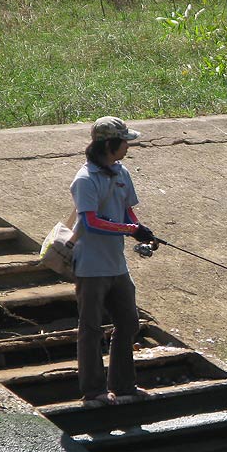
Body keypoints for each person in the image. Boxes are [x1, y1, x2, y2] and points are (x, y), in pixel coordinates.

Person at [70, 116, 156, 406]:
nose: (128, 147)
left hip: (117, 265)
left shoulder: (122, 172)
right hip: (91, 266)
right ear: (110, 144)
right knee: (91, 328)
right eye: (125, 142)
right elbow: (91, 222)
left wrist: (141, 231)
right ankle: (93, 390)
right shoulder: (85, 179)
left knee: (129, 322)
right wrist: (130, 230)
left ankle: (124, 385)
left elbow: (127, 210)